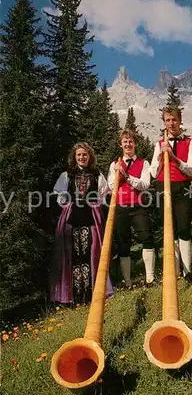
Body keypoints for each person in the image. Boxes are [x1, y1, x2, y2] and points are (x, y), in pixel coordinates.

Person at [50, 142, 112, 304]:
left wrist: (95, 203)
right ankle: (74, 295)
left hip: (92, 214)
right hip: (72, 216)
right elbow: (60, 196)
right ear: (74, 157)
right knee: (72, 253)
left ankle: (93, 292)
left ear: (89, 156)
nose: (82, 157)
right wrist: (67, 203)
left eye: (85, 154)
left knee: (92, 250)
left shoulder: (97, 174)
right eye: (79, 155)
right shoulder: (66, 175)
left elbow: (104, 194)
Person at [150, 107, 192, 281]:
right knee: (169, 228)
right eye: (167, 120)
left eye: (174, 120)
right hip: (163, 187)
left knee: (184, 227)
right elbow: (154, 173)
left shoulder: (190, 141)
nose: (171, 123)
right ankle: (174, 269)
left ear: (180, 121)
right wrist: (161, 157)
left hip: (183, 186)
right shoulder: (158, 144)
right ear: (164, 123)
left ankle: (188, 271)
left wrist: (174, 158)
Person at [107, 129, 155, 288]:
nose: (128, 144)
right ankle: (128, 282)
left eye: (130, 141)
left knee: (147, 238)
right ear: (121, 145)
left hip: (138, 206)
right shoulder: (114, 164)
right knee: (123, 243)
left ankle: (150, 278)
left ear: (135, 144)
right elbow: (110, 186)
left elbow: (145, 184)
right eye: (125, 142)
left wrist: (127, 177)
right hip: (120, 207)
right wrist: (117, 174)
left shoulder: (144, 163)